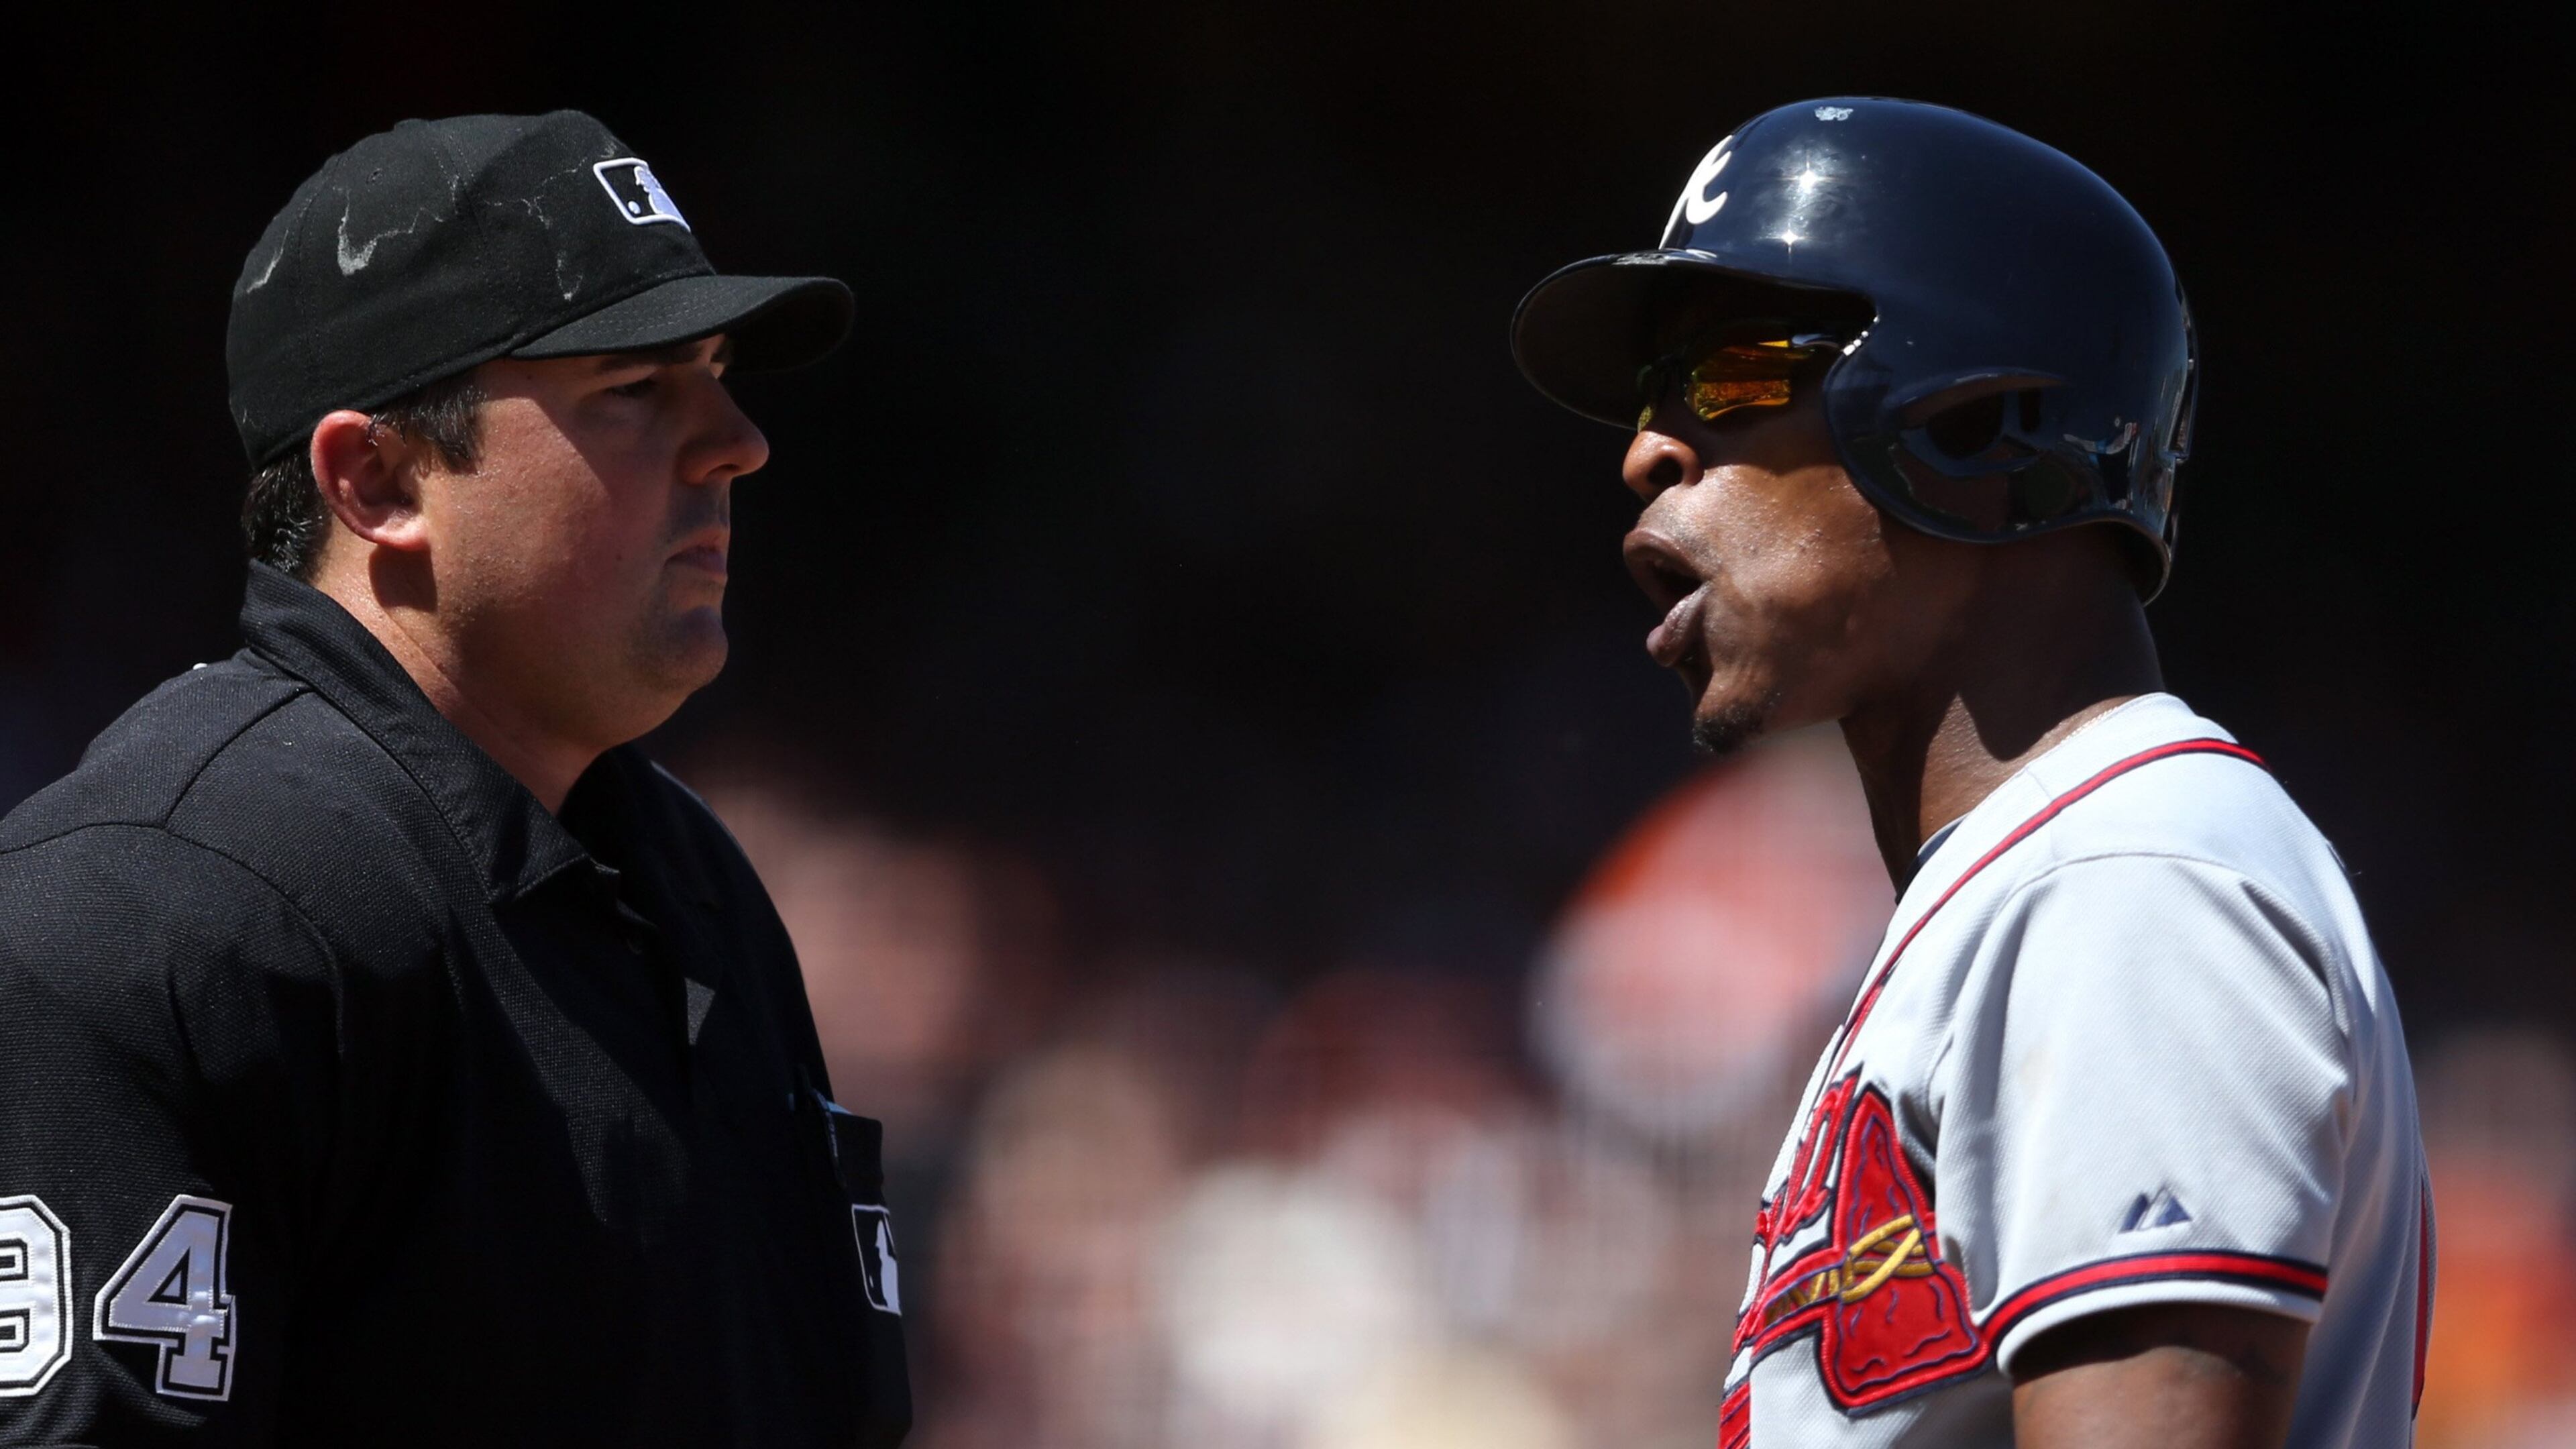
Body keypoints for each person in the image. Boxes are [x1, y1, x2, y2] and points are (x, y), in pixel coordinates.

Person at [1510, 98, 2430, 1448]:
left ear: (1978, 422)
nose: (1651, 448)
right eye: (1658, 401)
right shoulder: (2034, 895)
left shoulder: (2133, 879)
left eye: (1733, 372)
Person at [0, 111, 908, 1446]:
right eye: (638, 390)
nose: (738, 441)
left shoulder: (692, 883)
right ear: (376, 478)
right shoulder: (165, 907)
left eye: (717, 375)